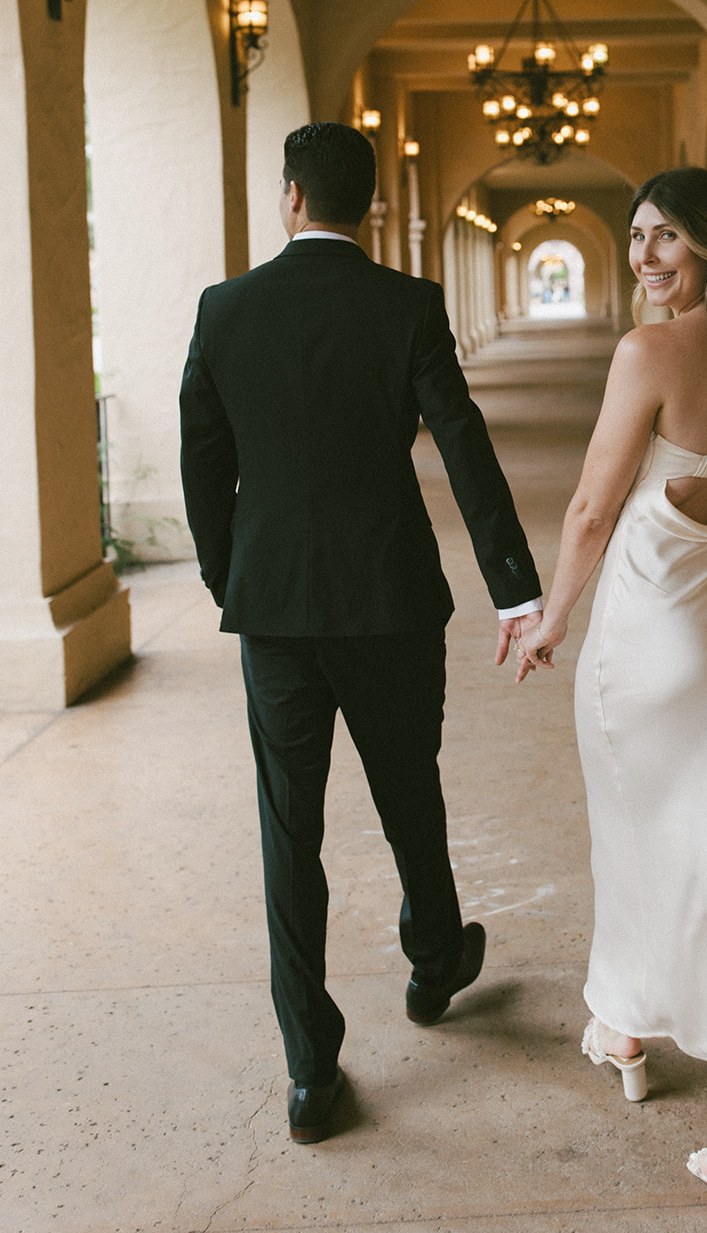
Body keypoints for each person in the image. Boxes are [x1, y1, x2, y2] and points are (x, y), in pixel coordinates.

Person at [179, 122, 542, 1144]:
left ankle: (309, 1071)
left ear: (291, 196)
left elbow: (202, 463)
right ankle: (433, 959)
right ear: (368, 205)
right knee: (406, 784)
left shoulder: (225, 310)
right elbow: (463, 447)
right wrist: (513, 585)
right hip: (388, 600)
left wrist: (232, 576)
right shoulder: (408, 306)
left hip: (278, 614)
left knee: (288, 830)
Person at [518, 167, 707, 1216]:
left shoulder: (648, 351)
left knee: (637, 834)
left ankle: (654, 1042)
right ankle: (669, 1051)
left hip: (649, 647)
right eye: (638, 236)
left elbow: (592, 510)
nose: (648, 256)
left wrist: (551, 614)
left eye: (668, 240)